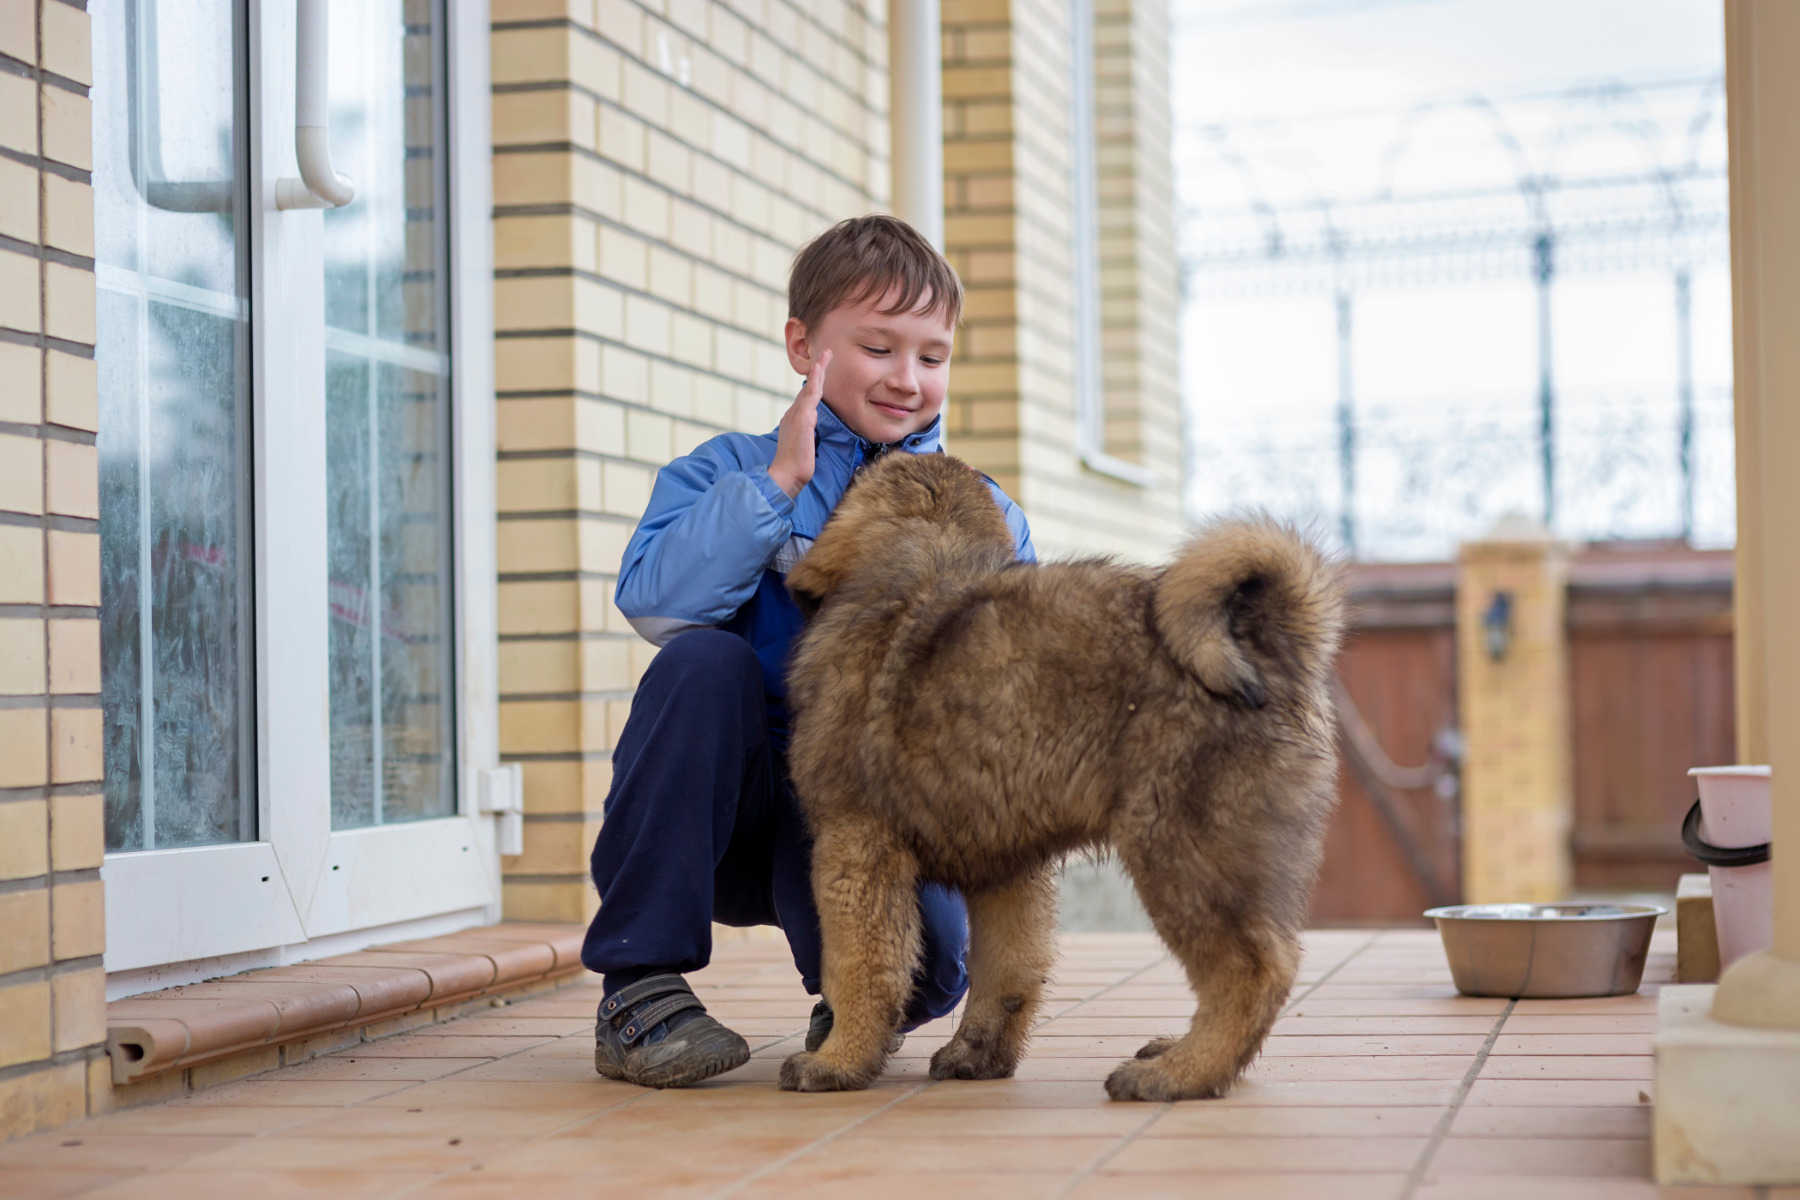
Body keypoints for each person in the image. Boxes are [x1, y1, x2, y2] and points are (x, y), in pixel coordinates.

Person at [582, 214, 1037, 1088]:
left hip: (868, 813)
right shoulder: (727, 472)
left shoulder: (988, 513)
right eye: (877, 348)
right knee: (700, 664)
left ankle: (854, 995)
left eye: (932, 356)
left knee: (927, 975)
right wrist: (777, 486)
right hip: (729, 811)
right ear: (804, 345)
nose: (907, 379)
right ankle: (639, 989)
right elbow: (654, 601)